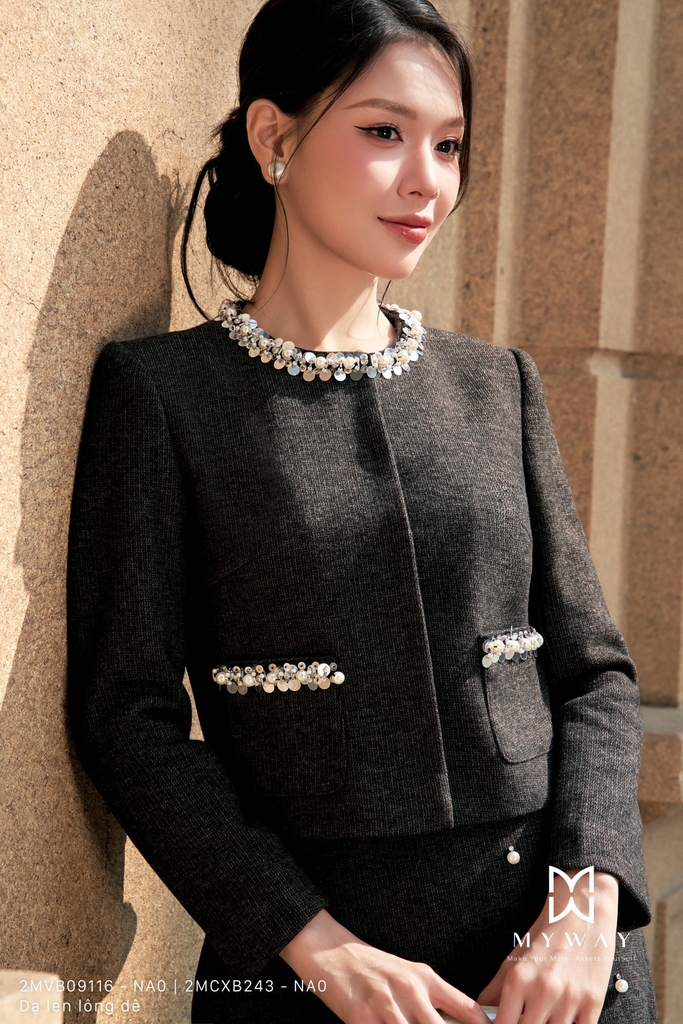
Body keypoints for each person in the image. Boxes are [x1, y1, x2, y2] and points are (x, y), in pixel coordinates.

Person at [66, 1, 659, 1022]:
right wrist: (315, 947)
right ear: (273, 135)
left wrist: (581, 908)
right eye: (384, 131)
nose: (427, 179)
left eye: (449, 144)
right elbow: (126, 716)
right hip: (316, 978)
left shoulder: (497, 386)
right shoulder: (165, 397)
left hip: (560, 974)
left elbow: (592, 675)